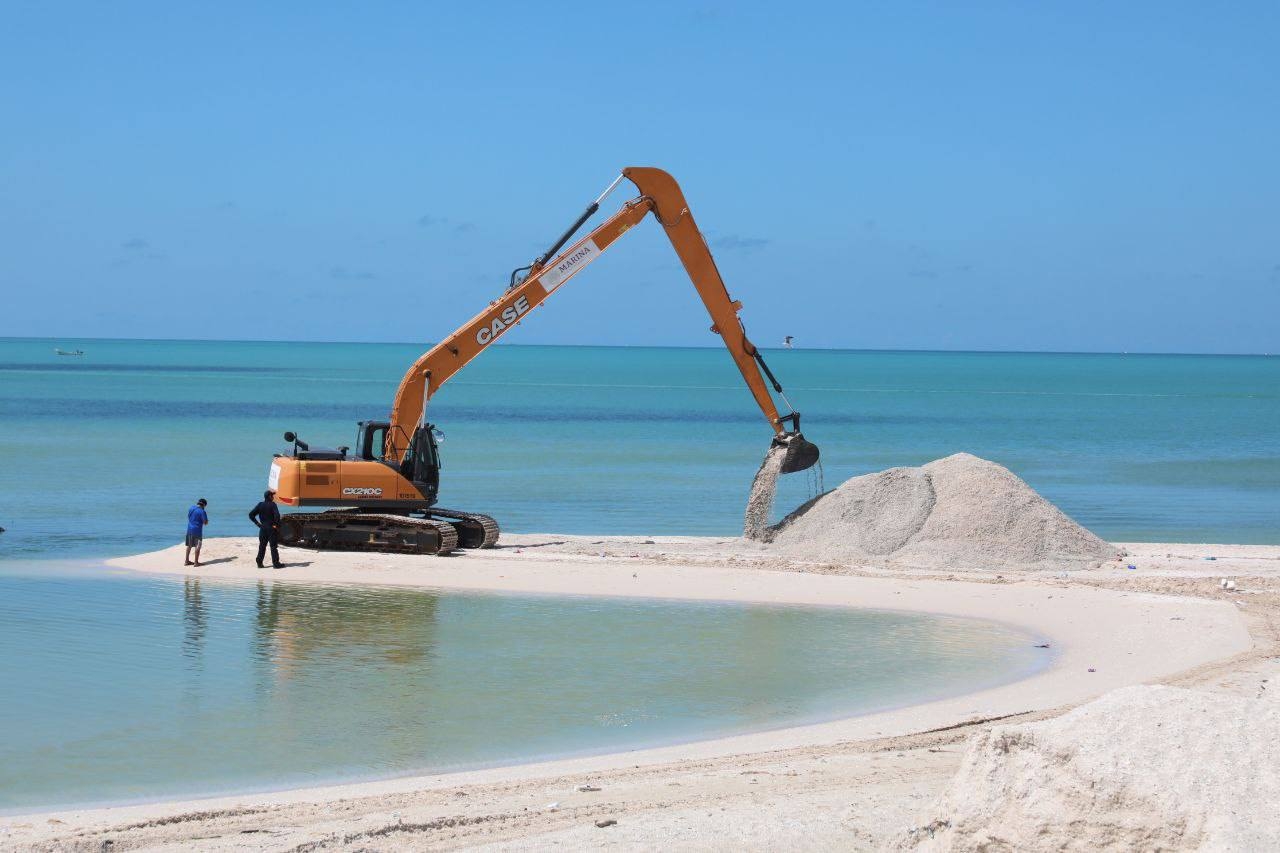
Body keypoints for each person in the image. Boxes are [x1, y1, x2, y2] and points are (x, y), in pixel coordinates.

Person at [249, 490, 284, 568]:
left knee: (262, 546)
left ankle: (259, 562)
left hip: (263, 528)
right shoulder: (273, 505)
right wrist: (276, 525)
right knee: (273, 546)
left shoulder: (260, 505)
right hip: (271, 528)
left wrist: (258, 524)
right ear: (269, 497)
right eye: (272, 496)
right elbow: (277, 516)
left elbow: (251, 515)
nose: (273, 497)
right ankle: (276, 563)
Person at [185, 498, 209, 566]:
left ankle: (186, 561)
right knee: (198, 546)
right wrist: (207, 521)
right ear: (204, 505)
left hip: (189, 529)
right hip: (197, 530)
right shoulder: (202, 511)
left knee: (189, 546)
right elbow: (205, 523)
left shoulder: (191, 508)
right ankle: (196, 562)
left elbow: (188, 517)